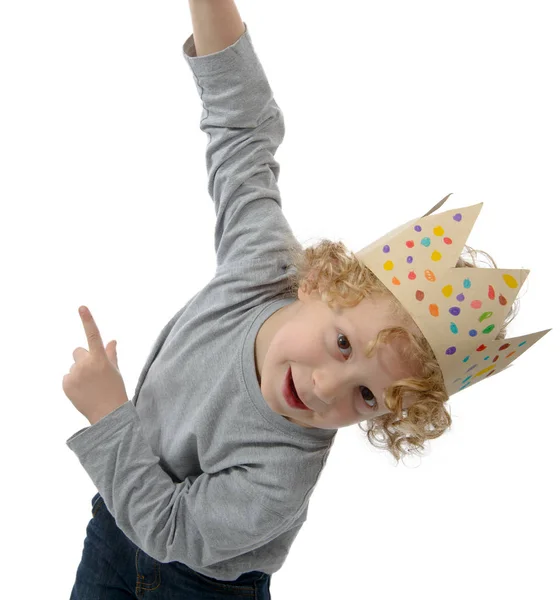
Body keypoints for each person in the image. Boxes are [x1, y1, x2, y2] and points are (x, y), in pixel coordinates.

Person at [67, 1, 551, 597]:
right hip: (116, 525)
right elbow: (242, 129)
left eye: (367, 396)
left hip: (197, 583)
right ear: (319, 283)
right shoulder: (262, 266)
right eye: (342, 343)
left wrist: (108, 415)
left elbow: (172, 528)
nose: (326, 389)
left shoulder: (283, 472)